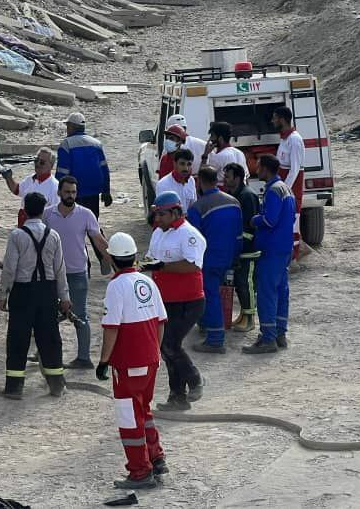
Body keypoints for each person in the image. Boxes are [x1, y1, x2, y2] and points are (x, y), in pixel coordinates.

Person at [97, 232, 168, 491]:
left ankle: (140, 471)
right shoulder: (148, 283)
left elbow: (111, 328)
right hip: (150, 360)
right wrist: (154, 353)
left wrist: (104, 361)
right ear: (134, 257)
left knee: (130, 418)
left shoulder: (116, 286)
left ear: (113, 259)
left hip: (128, 363)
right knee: (144, 410)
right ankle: (156, 458)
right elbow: (161, 323)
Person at [0, 192, 69, 399]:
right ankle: (56, 385)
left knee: (18, 338)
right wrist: (64, 297)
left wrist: (4, 294)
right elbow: (60, 269)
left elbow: (10, 268)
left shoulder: (17, 235)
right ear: (43, 209)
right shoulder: (53, 235)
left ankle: (14, 388)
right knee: (49, 338)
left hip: (23, 292)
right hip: (47, 292)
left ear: (25, 210)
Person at [143, 191, 205, 410]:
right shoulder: (158, 232)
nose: (157, 219)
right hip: (165, 300)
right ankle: (177, 396)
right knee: (166, 347)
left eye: (161, 214)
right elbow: (151, 258)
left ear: (175, 212)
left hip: (188, 301)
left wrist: (161, 267)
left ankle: (194, 379)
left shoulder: (189, 235)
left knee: (170, 344)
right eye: (156, 214)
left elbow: (193, 265)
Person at [44, 176, 109, 369]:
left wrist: (117, 262)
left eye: (73, 192)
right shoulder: (47, 215)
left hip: (78, 272)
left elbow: (98, 240)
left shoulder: (86, 214)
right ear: (59, 193)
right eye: (67, 192)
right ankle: (46, 354)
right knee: (48, 316)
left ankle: (83, 358)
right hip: (52, 274)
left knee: (80, 315)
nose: (71, 196)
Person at [243, 155, 297, 354]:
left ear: (266, 169)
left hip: (272, 249)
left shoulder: (273, 191)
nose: (257, 170)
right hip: (284, 247)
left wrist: (255, 220)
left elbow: (270, 220)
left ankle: (268, 339)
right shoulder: (285, 188)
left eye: (258, 167)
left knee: (266, 293)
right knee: (282, 291)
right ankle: (279, 333)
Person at [187, 166, 243, 353]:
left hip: (208, 259)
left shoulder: (198, 207)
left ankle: (215, 339)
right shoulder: (234, 202)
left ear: (200, 182)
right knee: (215, 295)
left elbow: (193, 239)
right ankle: (207, 325)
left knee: (210, 296)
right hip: (228, 257)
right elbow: (238, 235)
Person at [56, 111, 111, 274]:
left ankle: (84, 266)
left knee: (76, 230)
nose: (67, 129)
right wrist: (106, 191)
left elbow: (62, 172)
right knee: (93, 226)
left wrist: (58, 192)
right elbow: (104, 169)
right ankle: (105, 259)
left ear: (72, 127)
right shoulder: (96, 143)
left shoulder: (66, 145)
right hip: (93, 193)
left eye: (68, 126)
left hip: (73, 195)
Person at [224, 162, 260, 333]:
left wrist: (239, 242)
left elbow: (250, 226)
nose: (225, 179)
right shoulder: (236, 194)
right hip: (239, 248)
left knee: (246, 283)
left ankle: (250, 319)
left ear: (237, 178)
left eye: (228, 176)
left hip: (248, 249)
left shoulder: (247, 196)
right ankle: (244, 315)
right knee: (239, 283)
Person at [273, 107, 305, 260]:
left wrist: (284, 189)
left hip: (291, 189)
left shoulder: (294, 139)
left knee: (293, 222)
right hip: (285, 186)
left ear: (282, 119)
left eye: (275, 118)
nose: (272, 121)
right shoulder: (284, 138)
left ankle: (294, 256)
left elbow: (295, 169)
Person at [0, 147, 59, 226]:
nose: (37, 164)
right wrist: (9, 178)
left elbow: (56, 214)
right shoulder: (30, 179)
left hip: (39, 228)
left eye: (42, 162)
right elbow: (17, 190)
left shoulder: (54, 186)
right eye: (36, 160)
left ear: (51, 166)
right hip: (23, 224)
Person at [201, 121, 246, 186]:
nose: (210, 139)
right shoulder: (240, 153)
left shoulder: (219, 156)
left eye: (212, 136)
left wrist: (205, 154)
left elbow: (203, 176)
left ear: (220, 138)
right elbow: (246, 179)